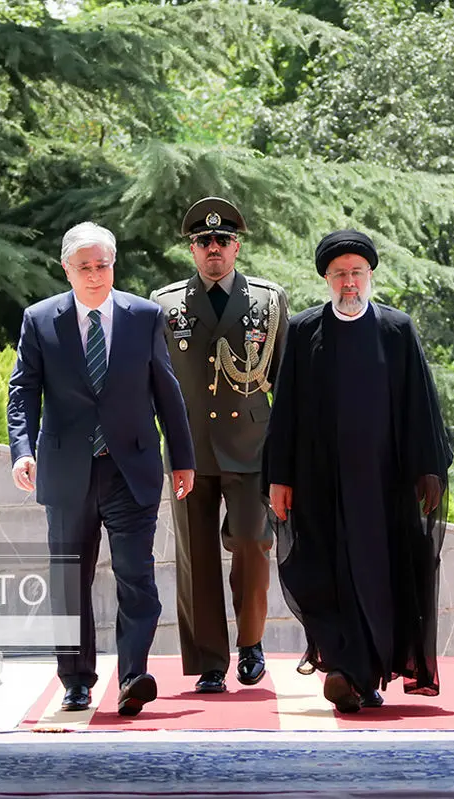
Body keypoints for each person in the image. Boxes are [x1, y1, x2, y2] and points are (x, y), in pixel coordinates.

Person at [8, 222, 196, 717]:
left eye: (103, 265)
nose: (95, 275)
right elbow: (23, 391)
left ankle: (133, 675)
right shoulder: (40, 319)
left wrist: (182, 459)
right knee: (70, 580)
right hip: (67, 471)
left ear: (115, 265)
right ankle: (75, 679)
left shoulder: (145, 316)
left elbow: (166, 390)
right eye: (85, 267)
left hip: (130, 467)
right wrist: (21, 450)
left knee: (137, 575)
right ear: (67, 269)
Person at [262, 229, 453, 714]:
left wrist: (428, 471)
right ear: (327, 278)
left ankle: (362, 673)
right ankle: (348, 670)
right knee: (327, 573)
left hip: (383, 486)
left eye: (357, 274)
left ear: (370, 276)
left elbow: (420, 406)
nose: (349, 283)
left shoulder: (396, 329)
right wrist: (279, 478)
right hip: (320, 485)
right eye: (340, 274)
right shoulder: (305, 331)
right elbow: (285, 410)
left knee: (379, 576)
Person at [149, 197, 289, 693]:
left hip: (251, 446)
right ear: (192, 249)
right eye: (204, 241)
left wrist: (287, 459)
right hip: (190, 450)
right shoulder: (164, 303)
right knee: (197, 556)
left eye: (223, 241)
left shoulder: (269, 301)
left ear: (237, 247)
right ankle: (210, 660)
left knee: (253, 543)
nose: (214, 249)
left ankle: (250, 643)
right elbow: (155, 382)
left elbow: (284, 381)